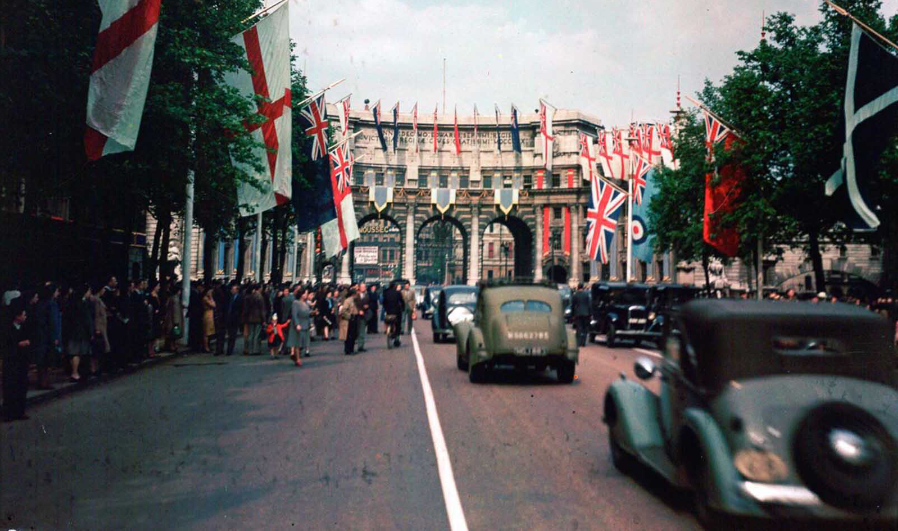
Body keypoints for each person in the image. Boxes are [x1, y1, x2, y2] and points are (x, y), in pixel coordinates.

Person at [3, 301, 31, 421]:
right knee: (10, 387)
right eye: (23, 314)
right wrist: (19, 344)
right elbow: (6, 345)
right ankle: (9, 413)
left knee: (22, 385)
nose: (25, 316)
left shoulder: (25, 327)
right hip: (11, 361)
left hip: (22, 360)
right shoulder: (7, 328)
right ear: (17, 316)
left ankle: (20, 411)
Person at [65, 284, 94, 382]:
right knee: (78, 352)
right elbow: (87, 319)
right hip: (81, 331)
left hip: (71, 330)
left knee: (73, 352)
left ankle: (74, 371)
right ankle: (75, 372)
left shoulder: (71, 302)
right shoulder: (83, 304)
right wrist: (91, 332)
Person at [290, 288, 312, 364]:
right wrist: (297, 324)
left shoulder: (306, 303)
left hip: (305, 323)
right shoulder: (296, 303)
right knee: (297, 342)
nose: (306, 295)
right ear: (301, 295)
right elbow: (294, 314)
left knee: (303, 342)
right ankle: (297, 358)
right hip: (299, 324)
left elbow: (308, 313)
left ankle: (296, 356)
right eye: (305, 293)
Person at [242, 284, 266, 355]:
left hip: (250, 317)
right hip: (258, 317)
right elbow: (262, 309)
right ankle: (256, 350)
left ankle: (249, 349)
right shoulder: (260, 297)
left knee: (251, 334)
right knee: (257, 334)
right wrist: (264, 319)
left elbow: (246, 309)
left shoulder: (249, 297)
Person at [383, 282, 405, 348]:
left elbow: (384, 302)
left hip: (388, 311)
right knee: (398, 324)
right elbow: (401, 301)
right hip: (396, 311)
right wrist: (403, 308)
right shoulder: (398, 293)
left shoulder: (386, 292)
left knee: (387, 321)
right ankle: (397, 339)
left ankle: (387, 330)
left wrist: (386, 308)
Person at [162, 285, 183, 353]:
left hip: (169, 319)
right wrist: (176, 322)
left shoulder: (171, 298)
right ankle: (173, 346)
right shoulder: (176, 299)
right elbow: (176, 311)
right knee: (174, 334)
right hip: (174, 320)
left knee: (171, 334)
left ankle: (172, 346)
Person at [224, 282, 243, 356]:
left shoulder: (240, 298)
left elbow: (240, 308)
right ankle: (229, 349)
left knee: (232, 335)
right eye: (232, 289)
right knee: (230, 334)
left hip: (235, 319)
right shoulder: (229, 297)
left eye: (233, 289)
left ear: (237, 290)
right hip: (229, 318)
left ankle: (230, 350)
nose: (231, 290)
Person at [341, 287, 360, 355]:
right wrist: (349, 316)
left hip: (354, 318)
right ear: (353, 294)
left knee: (353, 335)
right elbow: (344, 310)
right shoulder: (348, 301)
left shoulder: (354, 300)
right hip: (350, 319)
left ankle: (351, 348)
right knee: (349, 335)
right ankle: (348, 349)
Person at [571, 283, 591, 347]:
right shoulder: (587, 294)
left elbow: (573, 305)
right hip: (586, 313)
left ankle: (578, 342)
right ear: (583, 287)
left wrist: (573, 314)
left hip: (578, 313)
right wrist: (590, 314)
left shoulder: (575, 295)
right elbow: (589, 305)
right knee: (585, 328)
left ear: (578, 287)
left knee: (579, 328)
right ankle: (583, 342)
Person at [357, 282, 370, 352]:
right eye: (362, 287)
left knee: (362, 331)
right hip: (356, 315)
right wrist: (358, 310)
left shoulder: (367, 295)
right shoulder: (356, 295)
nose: (363, 288)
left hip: (363, 315)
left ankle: (360, 346)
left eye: (364, 287)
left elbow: (369, 303)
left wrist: (367, 306)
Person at [202, 287, 216, 353]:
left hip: (210, 315)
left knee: (210, 332)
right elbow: (213, 305)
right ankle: (206, 347)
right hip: (207, 315)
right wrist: (211, 298)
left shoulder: (208, 298)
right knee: (206, 332)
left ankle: (208, 345)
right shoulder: (205, 299)